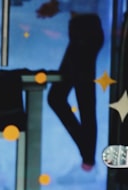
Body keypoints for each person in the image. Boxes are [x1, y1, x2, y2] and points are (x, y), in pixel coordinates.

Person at [37, 0, 104, 171]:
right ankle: (87, 152)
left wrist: (57, 6)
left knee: (82, 99)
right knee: (59, 98)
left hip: (85, 31)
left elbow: (83, 4)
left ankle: (88, 154)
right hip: (82, 31)